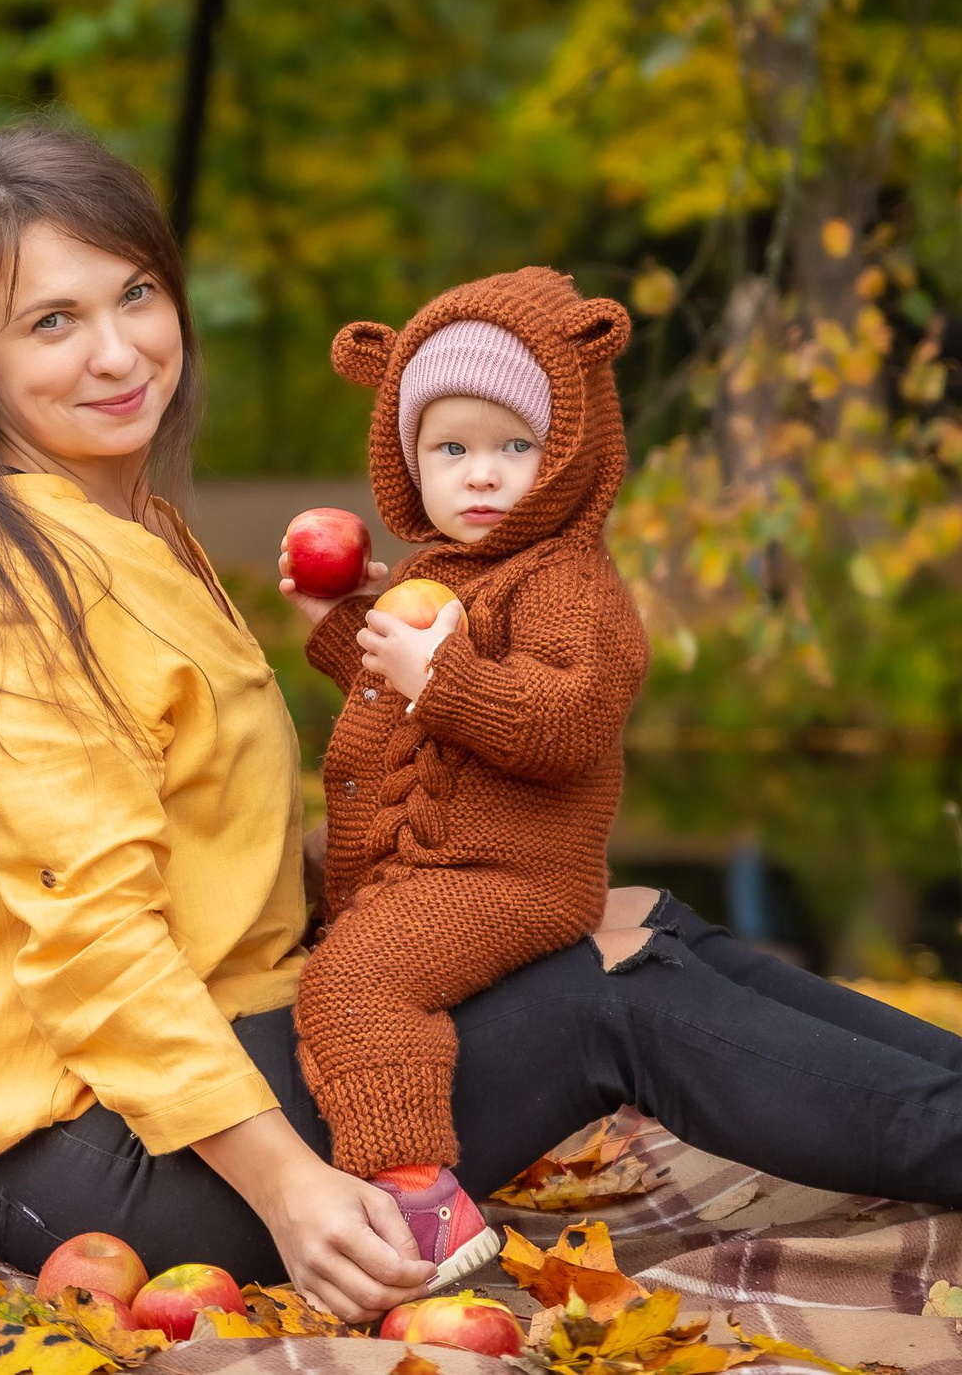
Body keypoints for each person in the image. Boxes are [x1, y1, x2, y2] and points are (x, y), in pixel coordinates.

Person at [0, 121, 962, 1329]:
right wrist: (297, 1191)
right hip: (110, 1168)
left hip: (199, 1072)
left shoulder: (134, 533)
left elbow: (211, 874)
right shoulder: (8, 585)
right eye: (51, 320)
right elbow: (98, 947)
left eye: (133, 293)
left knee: (636, 920)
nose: (118, 349)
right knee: (603, 996)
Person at [277, 267, 648, 1291]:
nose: (480, 475)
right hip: (418, 862)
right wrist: (345, 623)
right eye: (451, 449)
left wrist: (440, 675)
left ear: (565, 452)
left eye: (513, 447)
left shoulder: (567, 581)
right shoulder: (436, 571)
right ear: (408, 462)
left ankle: (420, 1202)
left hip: (511, 875)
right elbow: (402, 701)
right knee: (284, 896)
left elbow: (563, 723)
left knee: (355, 980)